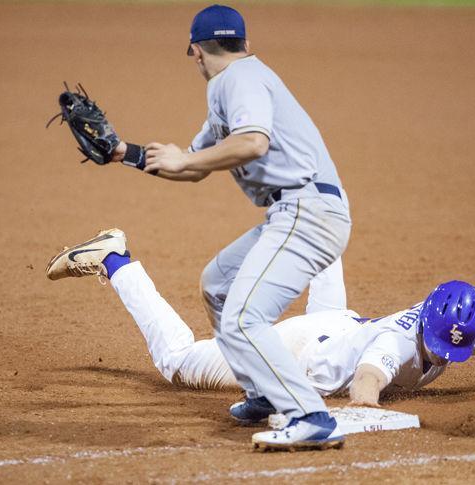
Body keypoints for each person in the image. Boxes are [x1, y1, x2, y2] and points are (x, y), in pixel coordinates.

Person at [67, 4, 353, 452]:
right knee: (218, 284)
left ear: (196, 51)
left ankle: (308, 415)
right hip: (296, 212)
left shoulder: (237, 80)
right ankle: (262, 393)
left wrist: (186, 159)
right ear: (243, 42)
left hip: (308, 212)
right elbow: (194, 166)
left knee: (243, 317)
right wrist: (126, 152)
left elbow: (253, 143)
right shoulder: (236, 85)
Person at [46, 229, 475, 444]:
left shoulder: (465, 321)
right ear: (432, 324)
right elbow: (364, 387)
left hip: (341, 326)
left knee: (326, 250)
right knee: (179, 362)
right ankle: (114, 257)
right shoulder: (394, 350)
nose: (446, 354)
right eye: (441, 344)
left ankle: (309, 220)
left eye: (454, 347)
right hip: (300, 349)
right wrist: (381, 412)